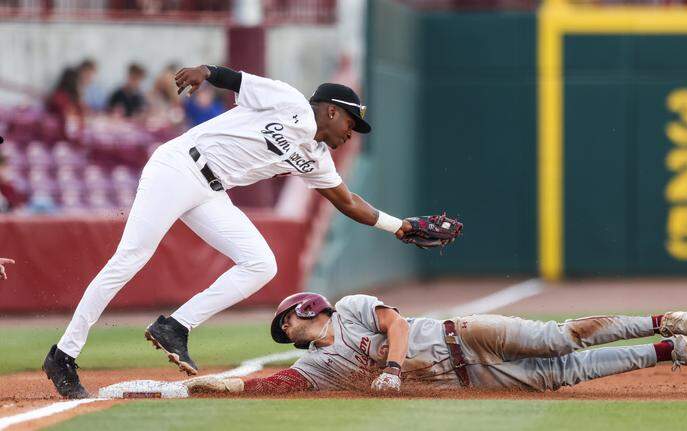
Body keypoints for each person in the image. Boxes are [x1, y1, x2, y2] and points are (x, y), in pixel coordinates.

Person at [43, 65, 431, 399]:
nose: (352, 132)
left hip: (210, 191)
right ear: (330, 111)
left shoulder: (317, 158)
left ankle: (174, 326)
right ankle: (63, 355)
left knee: (261, 264)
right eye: (351, 121)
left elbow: (348, 202)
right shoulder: (291, 102)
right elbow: (236, 79)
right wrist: (205, 72)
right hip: (179, 166)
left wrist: (402, 227)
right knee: (131, 258)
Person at [183, 293, 687, 395]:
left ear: (301, 312)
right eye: (285, 331)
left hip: (463, 334)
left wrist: (392, 369)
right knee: (563, 374)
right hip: (468, 378)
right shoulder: (322, 367)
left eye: (286, 324)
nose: (288, 332)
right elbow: (277, 382)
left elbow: (393, 324)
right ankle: (670, 351)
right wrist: (217, 386)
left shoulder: (347, 307)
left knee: (559, 338)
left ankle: (661, 320)